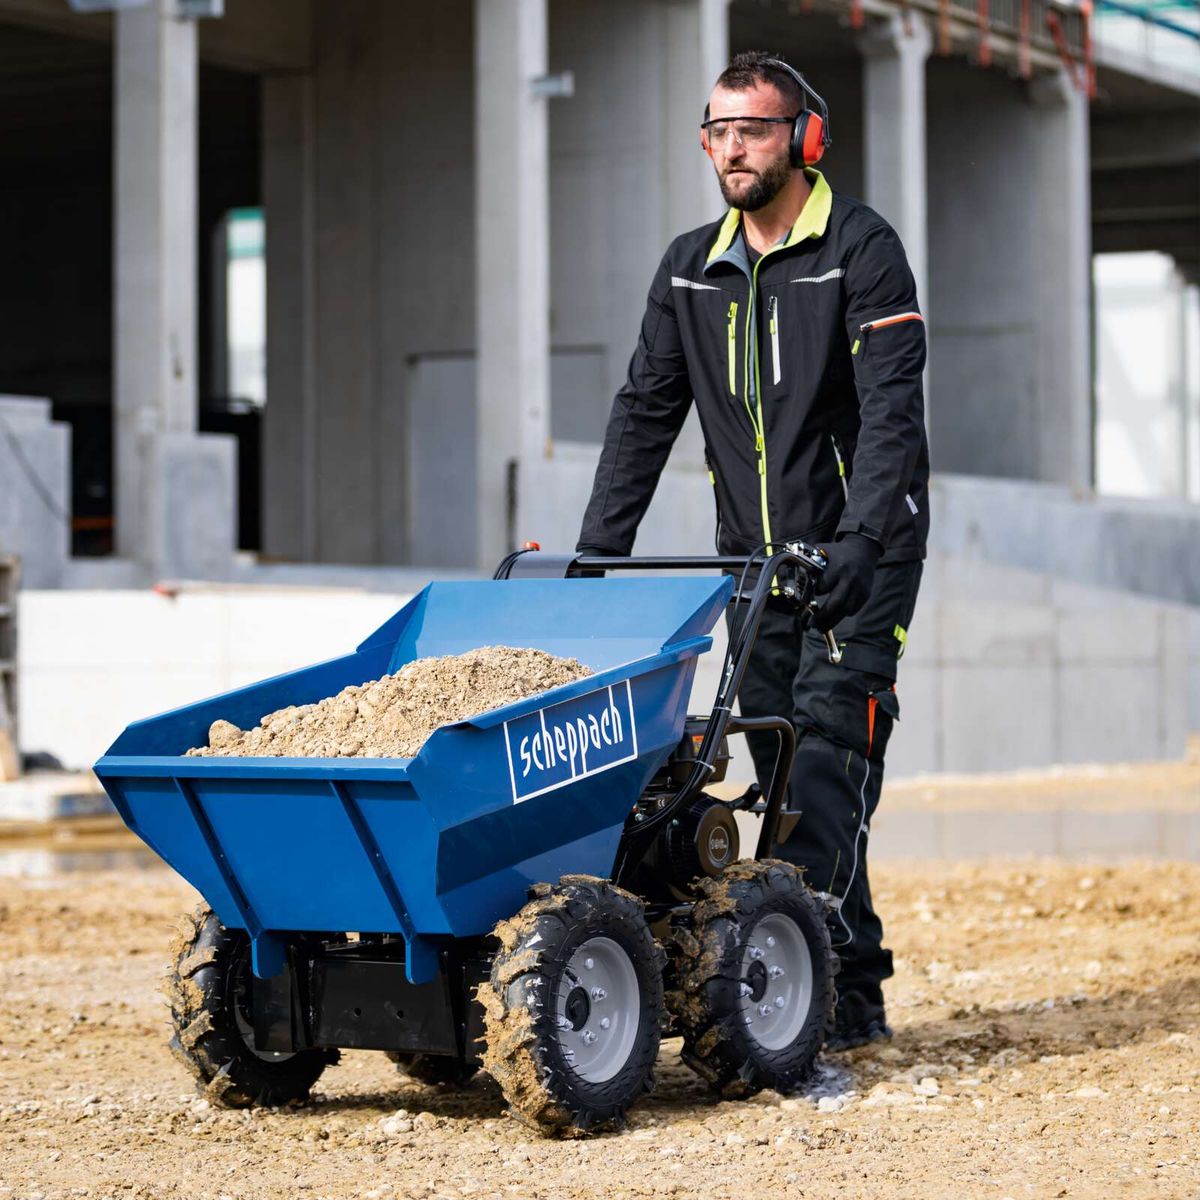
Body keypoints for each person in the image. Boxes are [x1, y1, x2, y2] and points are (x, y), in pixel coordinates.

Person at [575, 51, 929, 1050]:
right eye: (719, 130)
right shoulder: (693, 266)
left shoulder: (859, 249)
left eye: (756, 129)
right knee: (768, 771)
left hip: (865, 551)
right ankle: (847, 981)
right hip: (755, 562)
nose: (734, 147)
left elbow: (893, 411)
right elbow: (646, 412)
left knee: (827, 757)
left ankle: (812, 1000)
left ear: (804, 138)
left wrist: (864, 540)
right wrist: (595, 559)